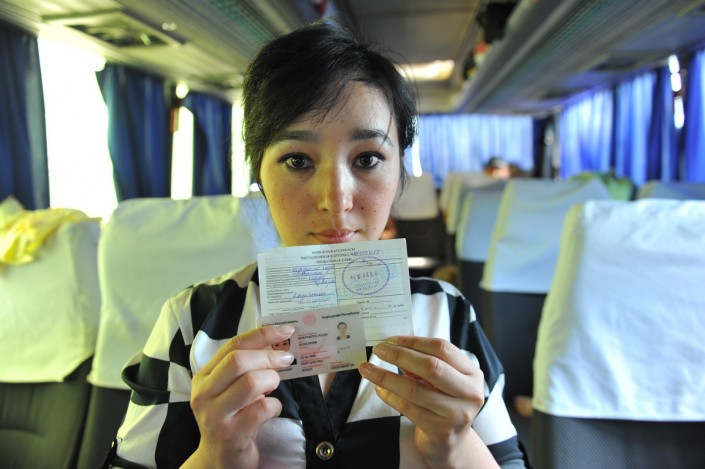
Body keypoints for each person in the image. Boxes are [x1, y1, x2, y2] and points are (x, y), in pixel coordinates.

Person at [105, 20, 529, 468]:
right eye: (297, 161)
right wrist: (214, 456)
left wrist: (455, 445)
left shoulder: (449, 317)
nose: (336, 199)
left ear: (399, 170)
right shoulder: (192, 323)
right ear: (259, 174)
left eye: (367, 158)